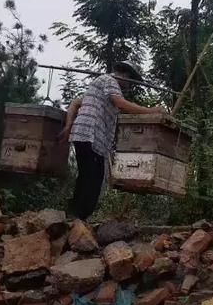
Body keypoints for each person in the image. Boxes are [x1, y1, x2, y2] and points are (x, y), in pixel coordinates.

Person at [58, 61, 165, 221]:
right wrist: (152, 111)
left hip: (86, 136)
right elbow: (121, 103)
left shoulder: (100, 86)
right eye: (130, 80)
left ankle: (76, 216)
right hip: (89, 134)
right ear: (124, 75)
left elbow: (75, 102)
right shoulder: (110, 81)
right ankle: (77, 217)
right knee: (92, 177)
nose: (129, 86)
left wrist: (68, 125)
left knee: (90, 175)